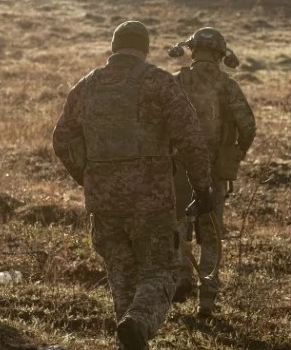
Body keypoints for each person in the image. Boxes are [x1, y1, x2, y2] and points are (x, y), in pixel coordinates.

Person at [52, 21, 213, 350]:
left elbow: (61, 139)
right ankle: (138, 323)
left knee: (122, 277)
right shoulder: (158, 82)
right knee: (162, 271)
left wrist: (87, 177)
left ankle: (130, 334)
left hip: (104, 204)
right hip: (151, 202)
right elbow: (191, 139)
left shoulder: (88, 85)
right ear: (145, 49)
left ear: (114, 48)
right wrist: (202, 188)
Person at [167, 27, 256, 317]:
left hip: (179, 167)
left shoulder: (177, 81)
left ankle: (181, 279)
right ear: (220, 55)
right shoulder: (227, 85)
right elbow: (248, 126)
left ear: (192, 51)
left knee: (177, 224)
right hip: (215, 171)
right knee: (211, 233)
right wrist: (235, 155)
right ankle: (207, 299)